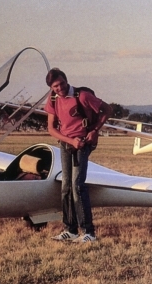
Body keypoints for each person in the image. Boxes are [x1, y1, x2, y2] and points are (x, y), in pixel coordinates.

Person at [44, 68, 112, 243]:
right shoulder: (52, 99)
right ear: (51, 88)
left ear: (67, 80)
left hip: (82, 143)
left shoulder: (82, 96)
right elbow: (51, 128)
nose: (59, 88)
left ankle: (88, 232)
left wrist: (95, 131)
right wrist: (68, 140)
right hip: (67, 144)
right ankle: (70, 229)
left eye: (61, 84)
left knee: (77, 186)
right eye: (55, 86)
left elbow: (107, 110)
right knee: (65, 186)